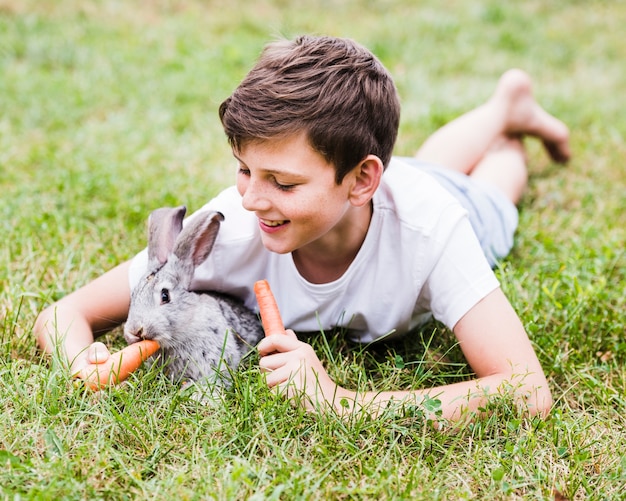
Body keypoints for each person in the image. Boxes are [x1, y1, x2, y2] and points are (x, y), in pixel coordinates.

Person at [34, 35, 570, 422]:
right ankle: (504, 107)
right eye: (245, 170)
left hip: (454, 204)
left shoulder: (434, 231)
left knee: (494, 193)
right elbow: (64, 313)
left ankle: (507, 116)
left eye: (283, 183)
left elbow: (525, 391)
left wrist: (346, 404)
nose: (252, 198)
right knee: (433, 164)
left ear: (361, 180)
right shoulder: (233, 227)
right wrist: (83, 361)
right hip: (388, 184)